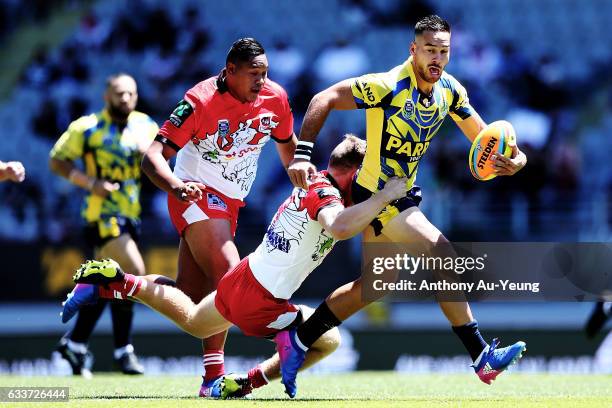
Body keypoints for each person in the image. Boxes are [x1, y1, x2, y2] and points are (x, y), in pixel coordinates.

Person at [284, 15, 528, 391]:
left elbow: (486, 140)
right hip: (377, 194)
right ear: (413, 50)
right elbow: (325, 97)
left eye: (443, 51)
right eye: (429, 50)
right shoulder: (387, 86)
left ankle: (298, 340)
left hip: (402, 193)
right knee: (440, 250)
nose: (437, 58)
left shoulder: (451, 91)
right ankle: (481, 355)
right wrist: (302, 154)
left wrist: (516, 161)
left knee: (375, 286)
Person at [62, 135, 408, 398]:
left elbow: (353, 220)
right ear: (354, 172)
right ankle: (247, 381)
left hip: (244, 276)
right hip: (263, 299)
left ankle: (114, 282)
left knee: (196, 321)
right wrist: (384, 197)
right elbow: (339, 226)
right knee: (328, 339)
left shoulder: (317, 182)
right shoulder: (326, 194)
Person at [141, 37, 297, 396]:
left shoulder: (275, 97)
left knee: (192, 300)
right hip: (195, 194)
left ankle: (113, 285)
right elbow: (151, 157)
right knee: (232, 279)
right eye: (253, 73)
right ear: (230, 71)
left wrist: (304, 184)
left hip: (231, 203)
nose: (261, 81)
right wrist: (177, 187)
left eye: (265, 72)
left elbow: (288, 145)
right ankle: (225, 371)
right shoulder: (199, 101)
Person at [49, 73, 158, 377]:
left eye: (131, 93)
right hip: (100, 214)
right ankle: (123, 351)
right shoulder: (86, 128)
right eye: (119, 93)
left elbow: (162, 162)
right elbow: (57, 161)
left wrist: (147, 156)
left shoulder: (146, 126)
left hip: (132, 214)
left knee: (110, 282)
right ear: (106, 95)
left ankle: (76, 344)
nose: (125, 98)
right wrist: (89, 182)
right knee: (134, 270)